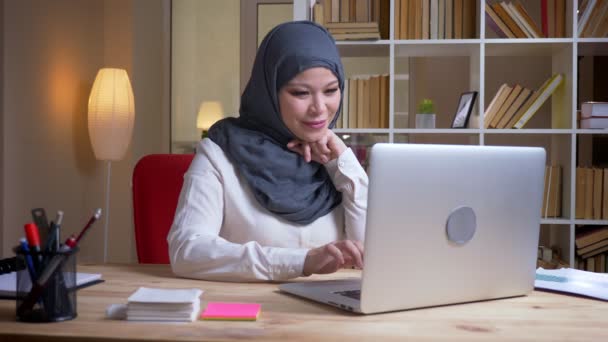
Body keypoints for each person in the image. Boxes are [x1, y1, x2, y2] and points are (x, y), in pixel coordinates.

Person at [167, 21, 368, 282]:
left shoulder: (336, 160)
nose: (319, 108)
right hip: (246, 313)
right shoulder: (219, 153)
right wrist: (301, 261)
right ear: (269, 93)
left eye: (331, 90)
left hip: (328, 317)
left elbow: (370, 256)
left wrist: (343, 163)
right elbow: (187, 252)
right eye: (300, 93)